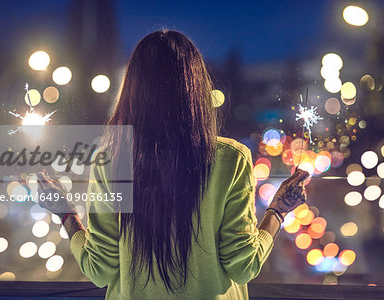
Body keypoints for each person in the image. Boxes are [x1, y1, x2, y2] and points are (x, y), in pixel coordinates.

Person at [37, 29, 309, 300]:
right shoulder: (231, 159)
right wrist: (278, 210)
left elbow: (100, 270)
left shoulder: (111, 161)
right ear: (196, 89)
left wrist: (66, 213)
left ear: (132, 91)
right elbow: (243, 266)